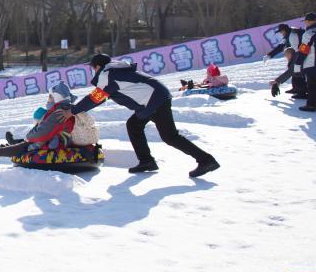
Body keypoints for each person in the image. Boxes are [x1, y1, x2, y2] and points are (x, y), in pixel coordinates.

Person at [59, 53, 219, 178]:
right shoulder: (115, 71)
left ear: (98, 66)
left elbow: (95, 98)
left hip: (154, 100)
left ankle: (206, 160)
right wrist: (78, 109)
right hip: (152, 100)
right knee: (134, 125)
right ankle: (146, 161)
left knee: (170, 136)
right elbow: (101, 97)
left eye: (93, 68)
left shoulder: (107, 74)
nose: (93, 71)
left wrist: (73, 111)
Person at [0, 83, 98, 160]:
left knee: (26, 145)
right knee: (31, 141)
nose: (49, 99)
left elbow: (43, 132)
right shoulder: (66, 108)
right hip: (67, 138)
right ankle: (9, 146)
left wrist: (28, 138)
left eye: (50, 96)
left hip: (64, 142)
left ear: (56, 97)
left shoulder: (59, 111)